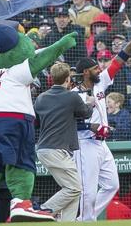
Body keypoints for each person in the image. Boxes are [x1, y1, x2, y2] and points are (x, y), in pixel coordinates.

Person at [73, 28, 131, 221]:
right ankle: (86, 220)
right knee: (88, 190)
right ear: (86, 72)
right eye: (95, 68)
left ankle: (85, 218)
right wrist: (90, 127)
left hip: (102, 144)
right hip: (84, 143)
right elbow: (69, 123)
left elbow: (117, 62)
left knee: (112, 185)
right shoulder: (74, 94)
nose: (99, 69)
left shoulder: (100, 83)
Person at [35, 63, 94, 221]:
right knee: (74, 188)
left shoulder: (41, 97)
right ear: (68, 79)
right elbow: (86, 113)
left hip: (44, 148)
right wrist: (90, 102)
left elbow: (36, 123)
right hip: (57, 149)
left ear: (51, 78)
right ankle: (43, 212)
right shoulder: (72, 96)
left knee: (71, 189)